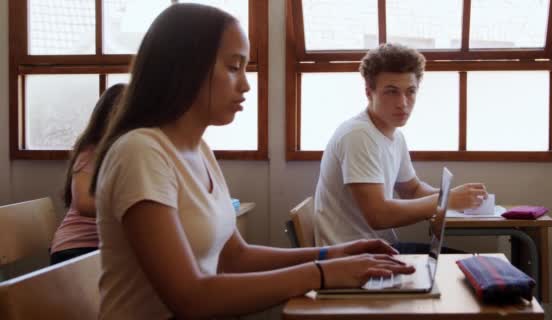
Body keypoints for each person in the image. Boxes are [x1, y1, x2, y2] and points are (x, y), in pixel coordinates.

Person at [90, 4, 414, 320]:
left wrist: (332, 254)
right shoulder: (140, 152)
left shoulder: (198, 150)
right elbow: (191, 298)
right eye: (233, 67)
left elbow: (236, 257)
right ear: (185, 67)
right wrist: (322, 273)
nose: (245, 84)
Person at [313, 43, 488, 253]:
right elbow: (379, 215)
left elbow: (412, 190)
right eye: (391, 92)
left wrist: (460, 199)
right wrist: (445, 201)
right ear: (369, 92)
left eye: (410, 92)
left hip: (379, 251)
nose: (403, 103)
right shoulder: (358, 135)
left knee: (478, 267)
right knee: (477, 269)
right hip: (353, 258)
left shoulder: (394, 135)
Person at [49, 83, 125, 265]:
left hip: (109, 246)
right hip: (79, 246)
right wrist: (130, 208)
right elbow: (83, 204)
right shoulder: (91, 153)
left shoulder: (131, 150)